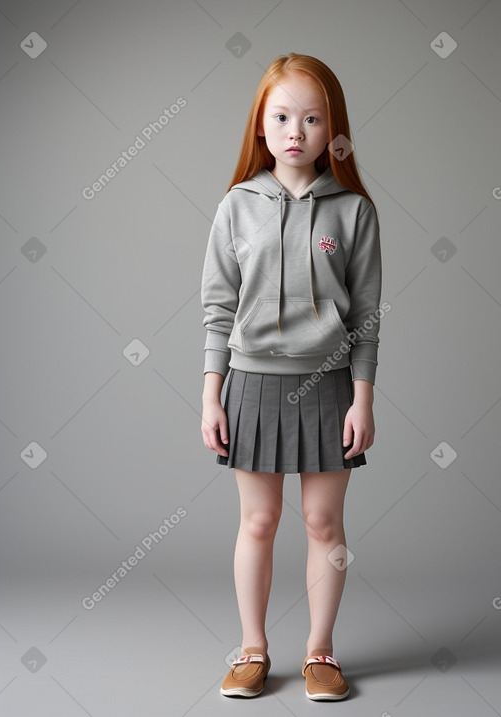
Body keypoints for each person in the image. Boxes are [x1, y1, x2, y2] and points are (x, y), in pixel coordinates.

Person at [200, 52, 382, 701]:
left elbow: (365, 317)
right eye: (281, 116)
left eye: (311, 118)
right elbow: (217, 308)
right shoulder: (236, 207)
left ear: (332, 130)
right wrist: (210, 394)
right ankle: (252, 649)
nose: (295, 131)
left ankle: (320, 653)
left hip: (330, 387)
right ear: (260, 126)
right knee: (258, 521)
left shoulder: (354, 211)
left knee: (324, 524)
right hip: (249, 384)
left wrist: (362, 399)